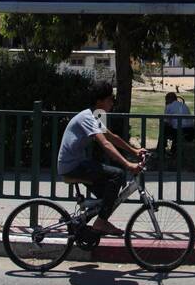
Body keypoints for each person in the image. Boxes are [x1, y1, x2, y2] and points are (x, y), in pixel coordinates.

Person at [56, 82, 146, 235]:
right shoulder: (88, 118)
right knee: (118, 174)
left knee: (108, 194)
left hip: (78, 163)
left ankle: (82, 220)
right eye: (111, 99)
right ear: (100, 101)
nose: (113, 102)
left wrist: (134, 151)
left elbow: (111, 137)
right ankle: (101, 222)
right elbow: (105, 144)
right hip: (72, 166)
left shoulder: (95, 115)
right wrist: (128, 164)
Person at [161, 91, 195, 157]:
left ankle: (161, 149)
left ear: (168, 99)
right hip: (191, 130)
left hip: (178, 130)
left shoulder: (169, 106)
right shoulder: (184, 105)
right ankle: (172, 150)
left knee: (163, 128)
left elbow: (166, 121)